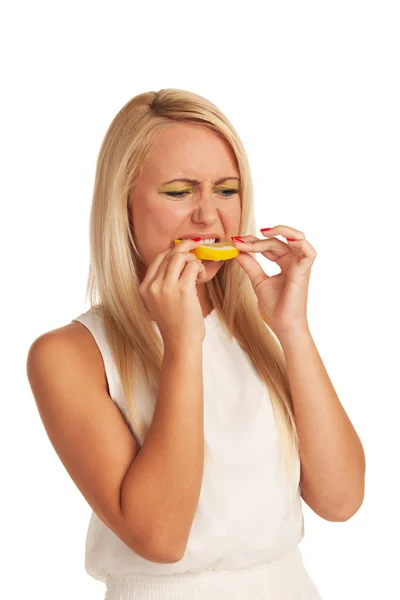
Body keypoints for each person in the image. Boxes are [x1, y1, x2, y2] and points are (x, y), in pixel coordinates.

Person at [26, 88, 326, 599]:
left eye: (227, 190)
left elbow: (341, 499)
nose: (208, 216)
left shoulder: (257, 328)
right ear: (123, 205)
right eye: (179, 191)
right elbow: (161, 538)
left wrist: (293, 329)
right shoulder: (67, 355)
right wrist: (183, 342)